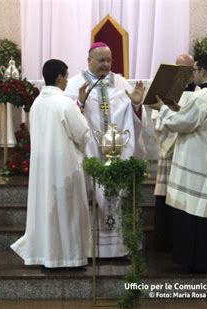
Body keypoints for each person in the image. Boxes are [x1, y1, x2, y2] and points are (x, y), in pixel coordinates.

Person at [149, 53, 207, 273]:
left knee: (194, 213)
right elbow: (194, 119)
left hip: (197, 163)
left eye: (195, 70)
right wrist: (179, 109)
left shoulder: (201, 97)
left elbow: (182, 124)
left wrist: (163, 109)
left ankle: (195, 260)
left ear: (203, 71)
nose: (193, 74)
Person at [64, 42, 146, 258]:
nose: (106, 65)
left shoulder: (120, 82)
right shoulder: (75, 84)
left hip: (118, 153)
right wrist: (79, 103)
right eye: (101, 60)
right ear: (89, 60)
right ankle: (90, 249)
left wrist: (137, 106)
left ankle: (121, 248)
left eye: (108, 60)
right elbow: (67, 117)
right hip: (90, 154)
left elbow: (133, 117)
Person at [11, 59, 91, 268]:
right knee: (67, 212)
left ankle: (46, 255)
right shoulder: (64, 103)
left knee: (47, 211)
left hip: (42, 167)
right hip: (64, 167)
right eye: (65, 76)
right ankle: (69, 258)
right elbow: (82, 134)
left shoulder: (37, 103)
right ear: (59, 78)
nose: (67, 81)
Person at [152, 53, 196, 252]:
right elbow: (157, 120)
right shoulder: (165, 92)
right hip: (170, 150)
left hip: (189, 151)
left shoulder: (201, 93)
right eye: (180, 69)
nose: (184, 74)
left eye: (188, 70)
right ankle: (164, 242)